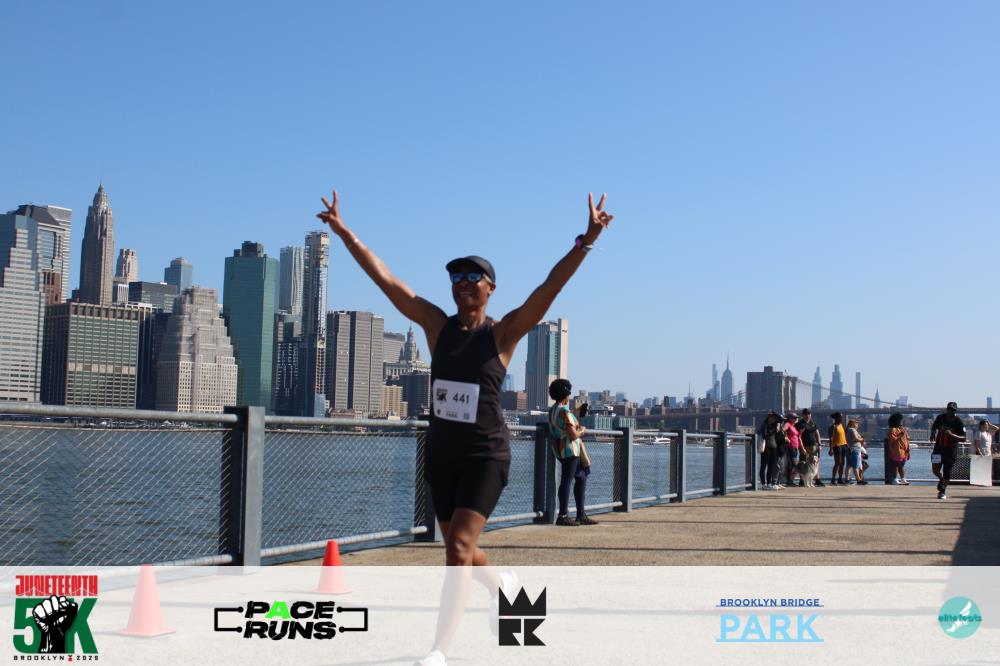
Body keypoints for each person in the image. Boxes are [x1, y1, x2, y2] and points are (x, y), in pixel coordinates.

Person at [317, 189, 614, 666]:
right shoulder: (436, 327)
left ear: (491, 287)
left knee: (456, 549)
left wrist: (587, 240)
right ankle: (506, 587)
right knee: (463, 549)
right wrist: (344, 232)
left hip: (485, 455)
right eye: (456, 276)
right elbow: (386, 280)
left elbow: (549, 289)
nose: (463, 283)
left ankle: (439, 649)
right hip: (442, 455)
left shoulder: (502, 333)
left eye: (473, 276)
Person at [548, 379, 596, 526]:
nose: (569, 396)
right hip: (570, 449)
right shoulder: (564, 411)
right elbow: (573, 435)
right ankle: (563, 515)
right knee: (567, 481)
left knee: (581, 476)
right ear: (565, 394)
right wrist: (582, 431)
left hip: (560, 449)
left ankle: (580, 514)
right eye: (569, 393)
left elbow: (562, 424)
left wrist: (575, 413)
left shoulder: (553, 410)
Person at [929, 401, 967, 500]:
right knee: (935, 470)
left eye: (953, 410)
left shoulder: (958, 422)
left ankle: (942, 491)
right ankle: (942, 480)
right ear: (947, 409)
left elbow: (964, 438)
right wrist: (932, 434)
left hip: (951, 450)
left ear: (956, 411)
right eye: (949, 409)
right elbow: (934, 427)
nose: (951, 412)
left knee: (947, 472)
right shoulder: (940, 418)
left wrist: (952, 435)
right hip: (938, 449)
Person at [796, 409, 825, 487]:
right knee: (803, 463)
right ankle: (802, 481)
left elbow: (817, 434)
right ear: (803, 415)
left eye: (809, 414)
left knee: (816, 462)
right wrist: (802, 447)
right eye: (806, 414)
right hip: (804, 446)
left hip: (814, 446)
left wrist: (819, 444)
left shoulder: (813, 423)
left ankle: (817, 479)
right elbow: (799, 436)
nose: (807, 416)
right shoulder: (800, 424)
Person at [758, 412, 781, 489]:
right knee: (763, 465)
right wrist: (774, 430)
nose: (773, 419)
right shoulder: (764, 425)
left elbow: (781, 419)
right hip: (766, 448)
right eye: (772, 418)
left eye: (774, 418)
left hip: (774, 447)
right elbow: (765, 435)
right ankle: (763, 484)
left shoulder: (775, 425)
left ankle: (768, 483)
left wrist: (777, 425)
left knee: (771, 466)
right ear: (769, 418)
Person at [886, 412, 910, 485]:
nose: (902, 421)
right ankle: (896, 479)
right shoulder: (892, 429)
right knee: (897, 465)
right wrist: (900, 435)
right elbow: (892, 440)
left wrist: (908, 449)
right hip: (896, 450)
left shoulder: (902, 429)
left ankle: (900, 479)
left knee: (900, 465)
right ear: (897, 421)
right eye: (901, 420)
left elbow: (907, 439)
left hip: (904, 451)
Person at [828, 412, 848, 485]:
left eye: (841, 417)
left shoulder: (841, 425)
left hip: (843, 445)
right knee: (837, 463)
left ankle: (840, 479)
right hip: (837, 446)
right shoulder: (833, 427)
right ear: (836, 418)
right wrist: (831, 449)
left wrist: (847, 446)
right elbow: (831, 438)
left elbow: (843, 436)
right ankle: (833, 479)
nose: (841, 418)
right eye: (840, 417)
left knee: (842, 463)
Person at [845, 418, 866, 485]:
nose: (858, 425)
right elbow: (855, 438)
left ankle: (847, 479)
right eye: (856, 423)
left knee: (849, 465)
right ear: (853, 424)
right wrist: (862, 439)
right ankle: (859, 480)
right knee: (855, 465)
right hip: (854, 449)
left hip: (849, 449)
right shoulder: (852, 429)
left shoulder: (848, 430)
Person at [782, 414, 801, 487]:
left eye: (797, 417)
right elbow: (782, 430)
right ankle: (789, 481)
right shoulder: (788, 424)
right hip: (790, 447)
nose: (796, 419)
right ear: (790, 418)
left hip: (795, 447)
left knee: (792, 464)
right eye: (795, 418)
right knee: (792, 464)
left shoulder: (793, 426)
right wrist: (786, 437)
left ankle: (790, 481)